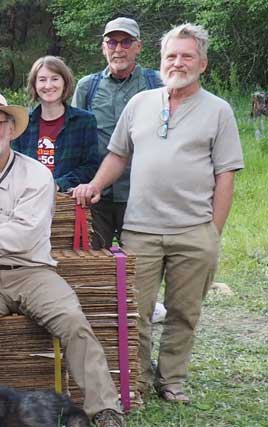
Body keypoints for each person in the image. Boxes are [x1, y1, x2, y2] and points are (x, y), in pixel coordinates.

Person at [0, 89, 136, 427]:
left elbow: (20, 238)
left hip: (31, 270)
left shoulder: (36, 175)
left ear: (11, 128)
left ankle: (106, 414)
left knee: (73, 320)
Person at [72, 24, 243, 404]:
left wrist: (212, 232)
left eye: (186, 56)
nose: (177, 63)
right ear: (161, 60)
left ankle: (173, 380)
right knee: (136, 314)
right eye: (171, 56)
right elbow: (118, 154)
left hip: (192, 229)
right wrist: (97, 185)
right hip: (140, 229)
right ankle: (139, 380)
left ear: (202, 63)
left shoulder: (219, 110)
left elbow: (225, 175)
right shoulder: (141, 103)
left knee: (183, 312)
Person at [72, 17, 163, 249]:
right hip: (96, 194)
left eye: (126, 42)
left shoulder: (158, 84)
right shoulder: (87, 87)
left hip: (142, 194)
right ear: (104, 47)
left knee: (139, 266)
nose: (119, 49)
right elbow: (76, 139)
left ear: (138, 47)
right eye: (112, 43)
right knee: (93, 265)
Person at [11, 56, 100, 192]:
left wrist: (58, 184)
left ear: (65, 82)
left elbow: (91, 166)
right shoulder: (22, 123)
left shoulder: (84, 121)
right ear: (34, 85)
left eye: (55, 79)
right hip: (29, 200)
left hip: (67, 203)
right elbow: (15, 166)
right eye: (42, 80)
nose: (48, 85)